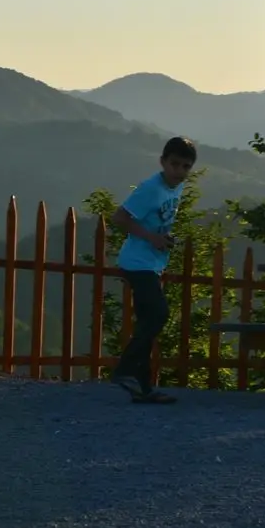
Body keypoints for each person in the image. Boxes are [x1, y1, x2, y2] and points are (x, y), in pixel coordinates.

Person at [109, 136, 197, 404]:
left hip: (152, 263)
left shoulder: (175, 188)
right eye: (174, 164)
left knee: (147, 325)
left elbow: (156, 221)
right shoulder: (151, 188)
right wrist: (151, 238)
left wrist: (162, 238)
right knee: (159, 314)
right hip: (137, 263)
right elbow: (119, 218)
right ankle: (124, 371)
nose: (179, 171)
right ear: (162, 162)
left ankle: (143, 389)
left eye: (185, 166)